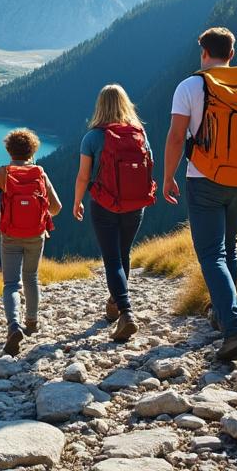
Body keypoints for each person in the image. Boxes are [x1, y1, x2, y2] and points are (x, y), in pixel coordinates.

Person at [162, 27, 237, 361]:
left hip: (204, 180)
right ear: (231, 54)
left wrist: (167, 177)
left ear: (203, 52)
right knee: (230, 246)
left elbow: (175, 138)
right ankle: (220, 314)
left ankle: (233, 329)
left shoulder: (190, 86)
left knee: (211, 253)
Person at [0, 128, 62, 356]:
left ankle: (13, 325)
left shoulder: (4, 173)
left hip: (10, 236)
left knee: (11, 284)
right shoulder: (40, 173)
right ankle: (32, 322)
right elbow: (56, 208)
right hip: (36, 235)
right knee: (31, 277)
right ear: (33, 149)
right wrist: (39, 213)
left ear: (9, 150)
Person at [72, 84, 156, 342]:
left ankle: (126, 312)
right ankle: (114, 303)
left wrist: (77, 202)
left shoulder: (93, 137)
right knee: (123, 254)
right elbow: (149, 165)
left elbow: (84, 176)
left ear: (100, 106)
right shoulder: (139, 133)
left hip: (105, 204)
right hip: (135, 204)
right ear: (126, 104)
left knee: (112, 259)